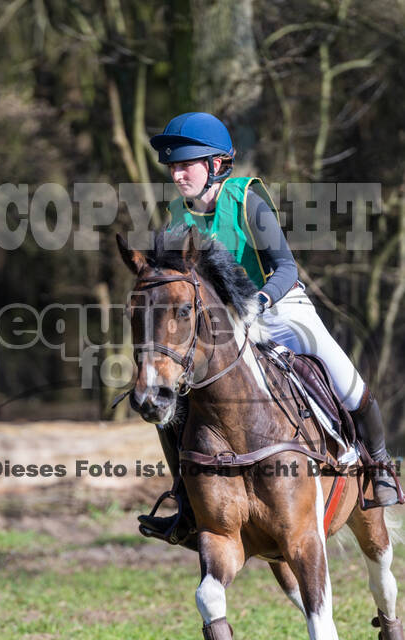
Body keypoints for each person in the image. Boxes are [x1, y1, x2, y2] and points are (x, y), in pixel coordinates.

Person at [138, 112, 401, 543]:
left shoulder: (246, 200)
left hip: (277, 308)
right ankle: (186, 501)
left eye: (187, 163)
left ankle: (378, 466)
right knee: (170, 410)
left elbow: (285, 266)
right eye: (173, 166)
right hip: (222, 331)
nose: (177, 172)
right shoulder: (175, 219)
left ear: (217, 165)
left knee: (348, 382)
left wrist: (258, 301)